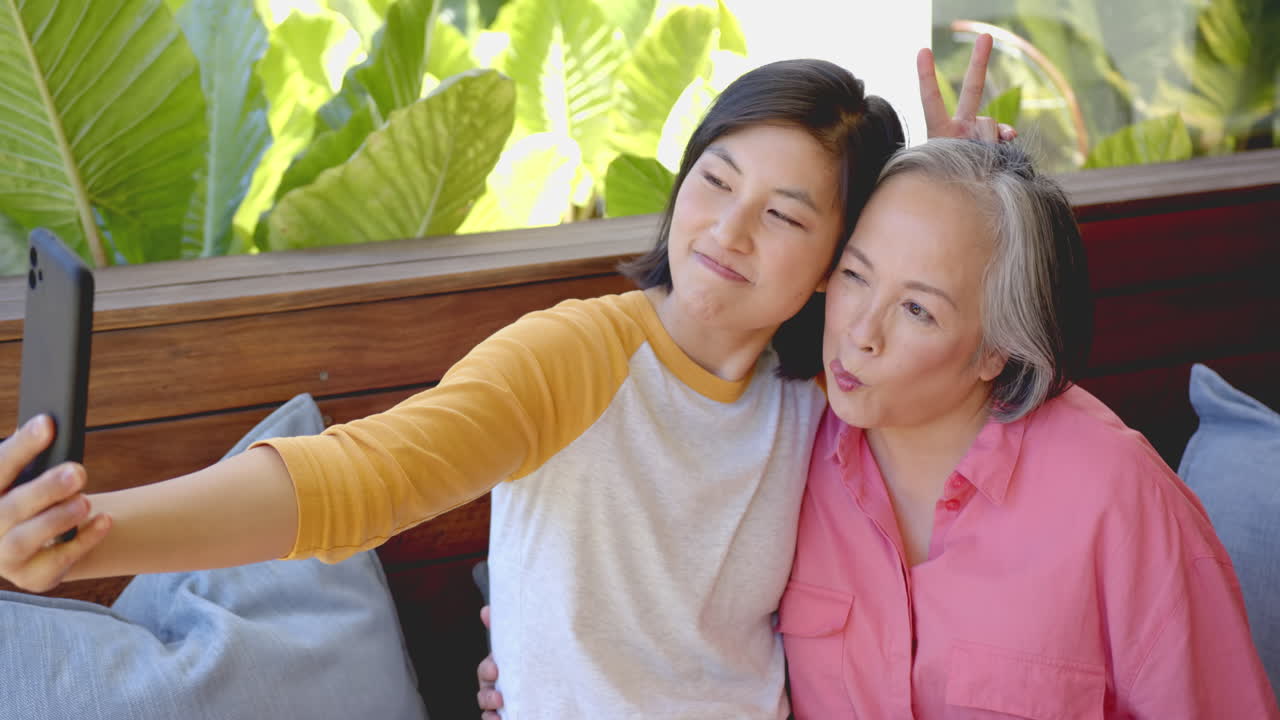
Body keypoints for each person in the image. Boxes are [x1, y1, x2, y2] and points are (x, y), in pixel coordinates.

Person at [0, 40, 1011, 718]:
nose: (729, 229)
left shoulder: (824, 400)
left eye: (784, 215)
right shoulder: (578, 356)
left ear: (837, 259)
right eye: (715, 179)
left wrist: (958, 204)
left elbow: (973, 392)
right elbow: (363, 479)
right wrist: (95, 536)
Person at [781, 138, 1279, 717]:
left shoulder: (1117, 495)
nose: (861, 332)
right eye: (855, 274)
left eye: (918, 309)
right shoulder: (787, 445)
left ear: (997, 350)